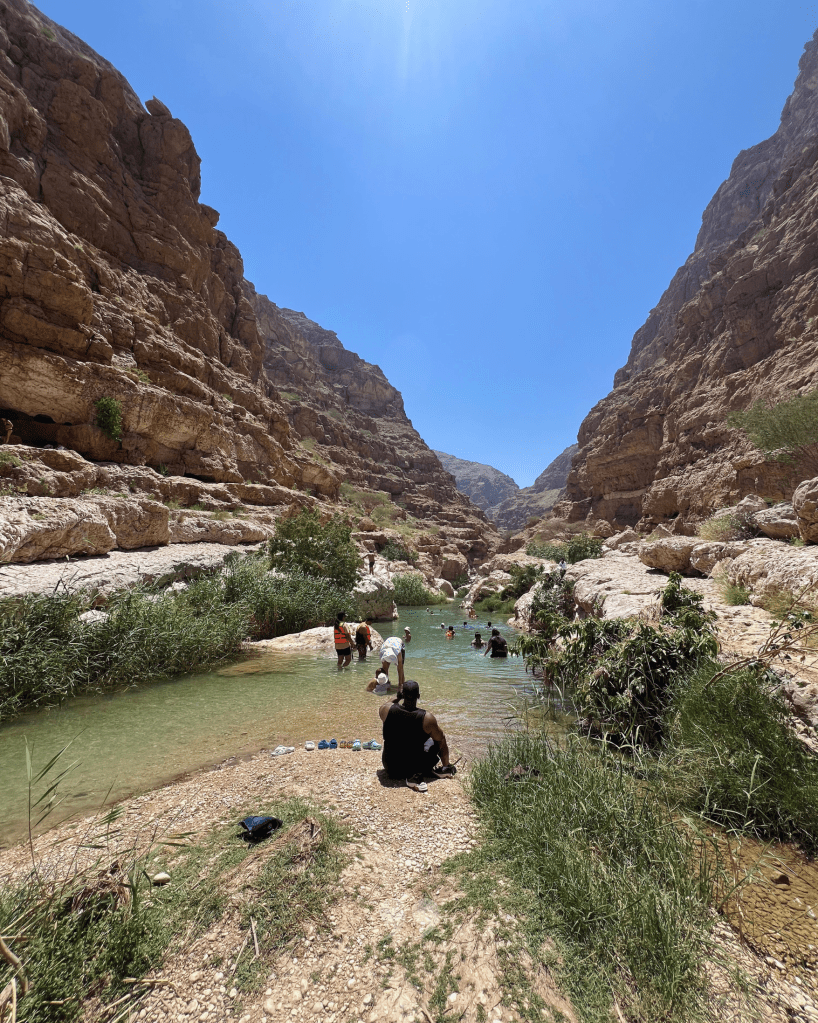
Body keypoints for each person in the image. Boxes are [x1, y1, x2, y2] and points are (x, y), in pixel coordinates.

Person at [379, 680, 451, 792]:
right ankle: (446, 768)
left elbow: (386, 704)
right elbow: (441, 739)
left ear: (402, 694)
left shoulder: (386, 710)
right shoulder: (427, 718)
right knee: (439, 739)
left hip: (390, 767)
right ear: (418, 696)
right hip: (411, 770)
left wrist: (397, 697)